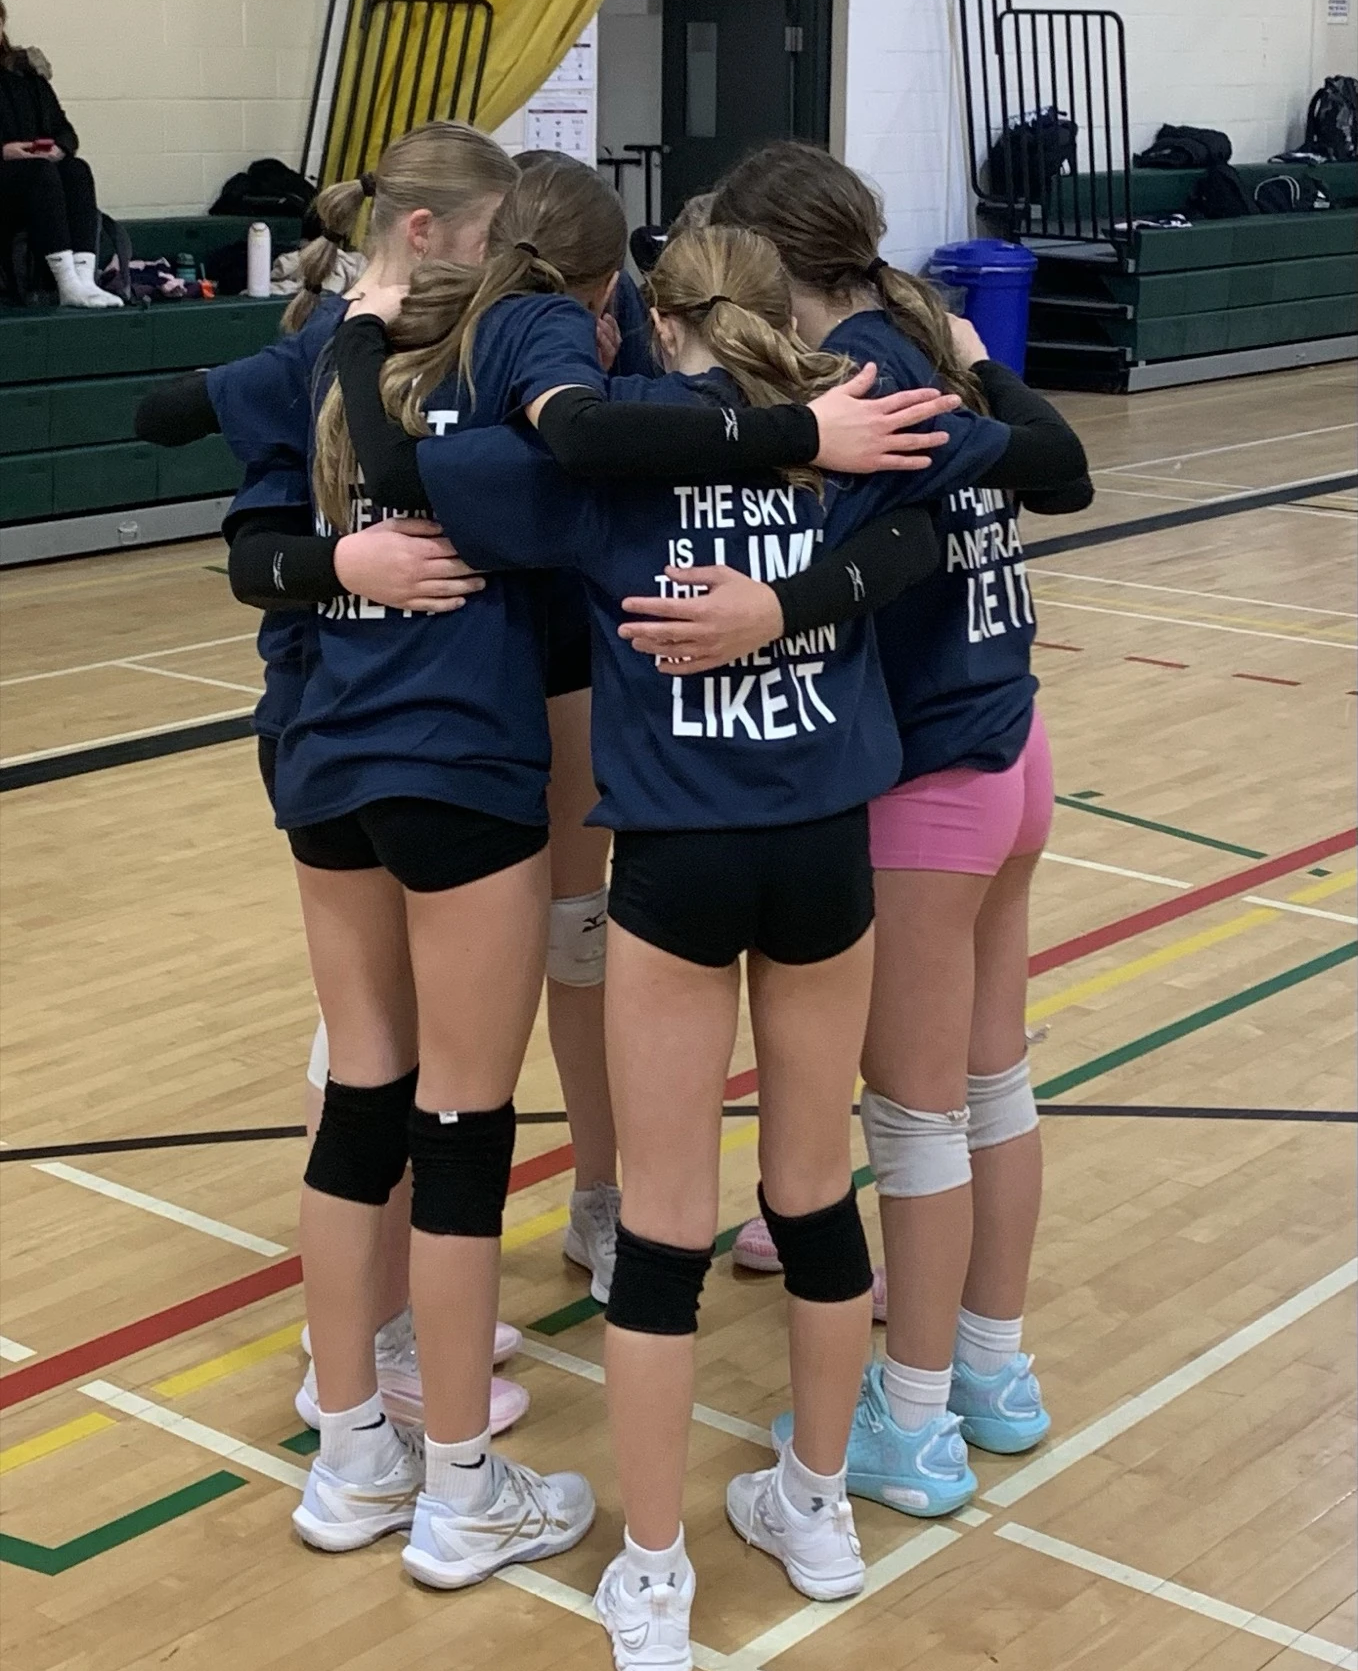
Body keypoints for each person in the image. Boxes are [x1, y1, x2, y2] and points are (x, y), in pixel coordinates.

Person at [250, 156, 960, 1592]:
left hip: (425, 785)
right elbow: (974, 495)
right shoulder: (849, 434)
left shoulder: (583, 484)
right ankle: (810, 1514)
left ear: (656, 322)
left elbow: (428, 474)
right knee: (809, 1193)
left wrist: (349, 351)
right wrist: (798, 522)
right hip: (807, 846)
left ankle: (607, 1555)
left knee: (595, 1196)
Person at [617, 141, 1092, 1519]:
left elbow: (954, 519)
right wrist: (977, 364)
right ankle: (994, 1372)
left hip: (930, 772)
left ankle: (918, 1414)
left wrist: (776, 610)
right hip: (1012, 739)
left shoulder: (862, 375)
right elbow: (1037, 468)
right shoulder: (911, 349)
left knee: (918, 1116)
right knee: (991, 1082)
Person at [137, 121, 530, 1437]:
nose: (498, 262)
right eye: (485, 236)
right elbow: (183, 444)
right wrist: (336, 566)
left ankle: (375, 1380)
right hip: (371, 738)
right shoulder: (351, 353)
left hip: (357, 747)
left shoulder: (445, 348)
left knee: (382, 1073)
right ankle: (388, 1394)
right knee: (409, 1082)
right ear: (425, 234)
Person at [0, 1, 118, 308]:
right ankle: (67, 282)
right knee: (40, 173)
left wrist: (59, 148)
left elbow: (65, 129)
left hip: (35, 175)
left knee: (76, 169)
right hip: (11, 179)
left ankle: (84, 279)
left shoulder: (28, 76)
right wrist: (4, 152)